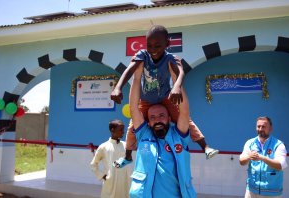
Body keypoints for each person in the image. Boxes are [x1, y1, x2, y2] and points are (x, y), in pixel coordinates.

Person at [112, 25, 218, 168]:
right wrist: (118, 87)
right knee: (132, 127)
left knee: (185, 118)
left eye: (158, 46)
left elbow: (180, 72)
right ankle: (127, 156)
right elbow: (129, 70)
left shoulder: (170, 58)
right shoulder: (142, 55)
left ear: (167, 44)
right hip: (146, 100)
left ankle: (205, 146)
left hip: (166, 97)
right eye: (149, 45)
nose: (153, 50)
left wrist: (176, 87)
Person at [128, 63, 196, 197]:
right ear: (148, 121)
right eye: (152, 117)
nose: (157, 120)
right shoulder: (143, 134)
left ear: (169, 118)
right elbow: (133, 108)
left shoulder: (179, 136)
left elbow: (184, 111)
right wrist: (137, 76)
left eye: (161, 115)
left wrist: (175, 77)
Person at [239, 117, 288, 198]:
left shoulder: (279, 145)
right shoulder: (250, 143)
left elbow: (280, 165)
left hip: (271, 193)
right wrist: (248, 157)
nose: (260, 129)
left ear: (270, 128)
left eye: (263, 126)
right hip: (251, 191)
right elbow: (241, 161)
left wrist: (262, 158)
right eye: (258, 126)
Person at [90, 119, 131, 198]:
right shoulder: (104, 147)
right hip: (110, 182)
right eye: (121, 129)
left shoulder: (125, 145)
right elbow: (93, 164)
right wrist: (103, 176)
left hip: (124, 182)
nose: (123, 132)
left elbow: (128, 161)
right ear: (113, 130)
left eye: (123, 129)